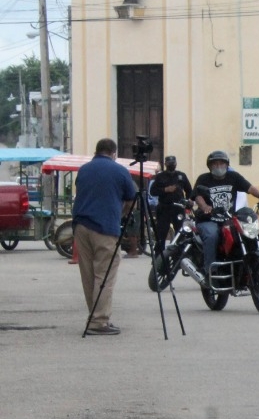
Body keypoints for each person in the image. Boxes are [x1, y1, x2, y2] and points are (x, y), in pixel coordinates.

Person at [71, 138, 138, 335]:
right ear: (114, 153)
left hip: (81, 226)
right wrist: (120, 213)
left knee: (88, 275)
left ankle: (94, 315)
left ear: (97, 151)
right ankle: (99, 322)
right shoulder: (119, 171)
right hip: (105, 227)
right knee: (105, 274)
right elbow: (130, 197)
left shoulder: (84, 169)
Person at [191, 150, 259, 285]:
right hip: (208, 219)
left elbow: (250, 188)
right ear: (210, 166)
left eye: (222, 163)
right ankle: (210, 271)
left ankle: (249, 266)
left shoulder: (234, 177)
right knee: (212, 235)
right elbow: (198, 195)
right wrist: (205, 206)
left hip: (227, 218)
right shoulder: (204, 179)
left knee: (245, 234)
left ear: (227, 165)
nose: (219, 166)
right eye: (215, 164)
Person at [148, 154, 192, 253]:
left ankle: (180, 253)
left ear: (176, 164)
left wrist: (188, 201)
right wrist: (165, 189)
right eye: (169, 163)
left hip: (178, 207)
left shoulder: (181, 175)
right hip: (164, 208)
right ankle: (159, 255)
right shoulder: (160, 176)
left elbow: (189, 190)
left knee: (180, 232)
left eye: (173, 163)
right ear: (165, 164)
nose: (171, 165)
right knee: (161, 233)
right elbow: (153, 191)